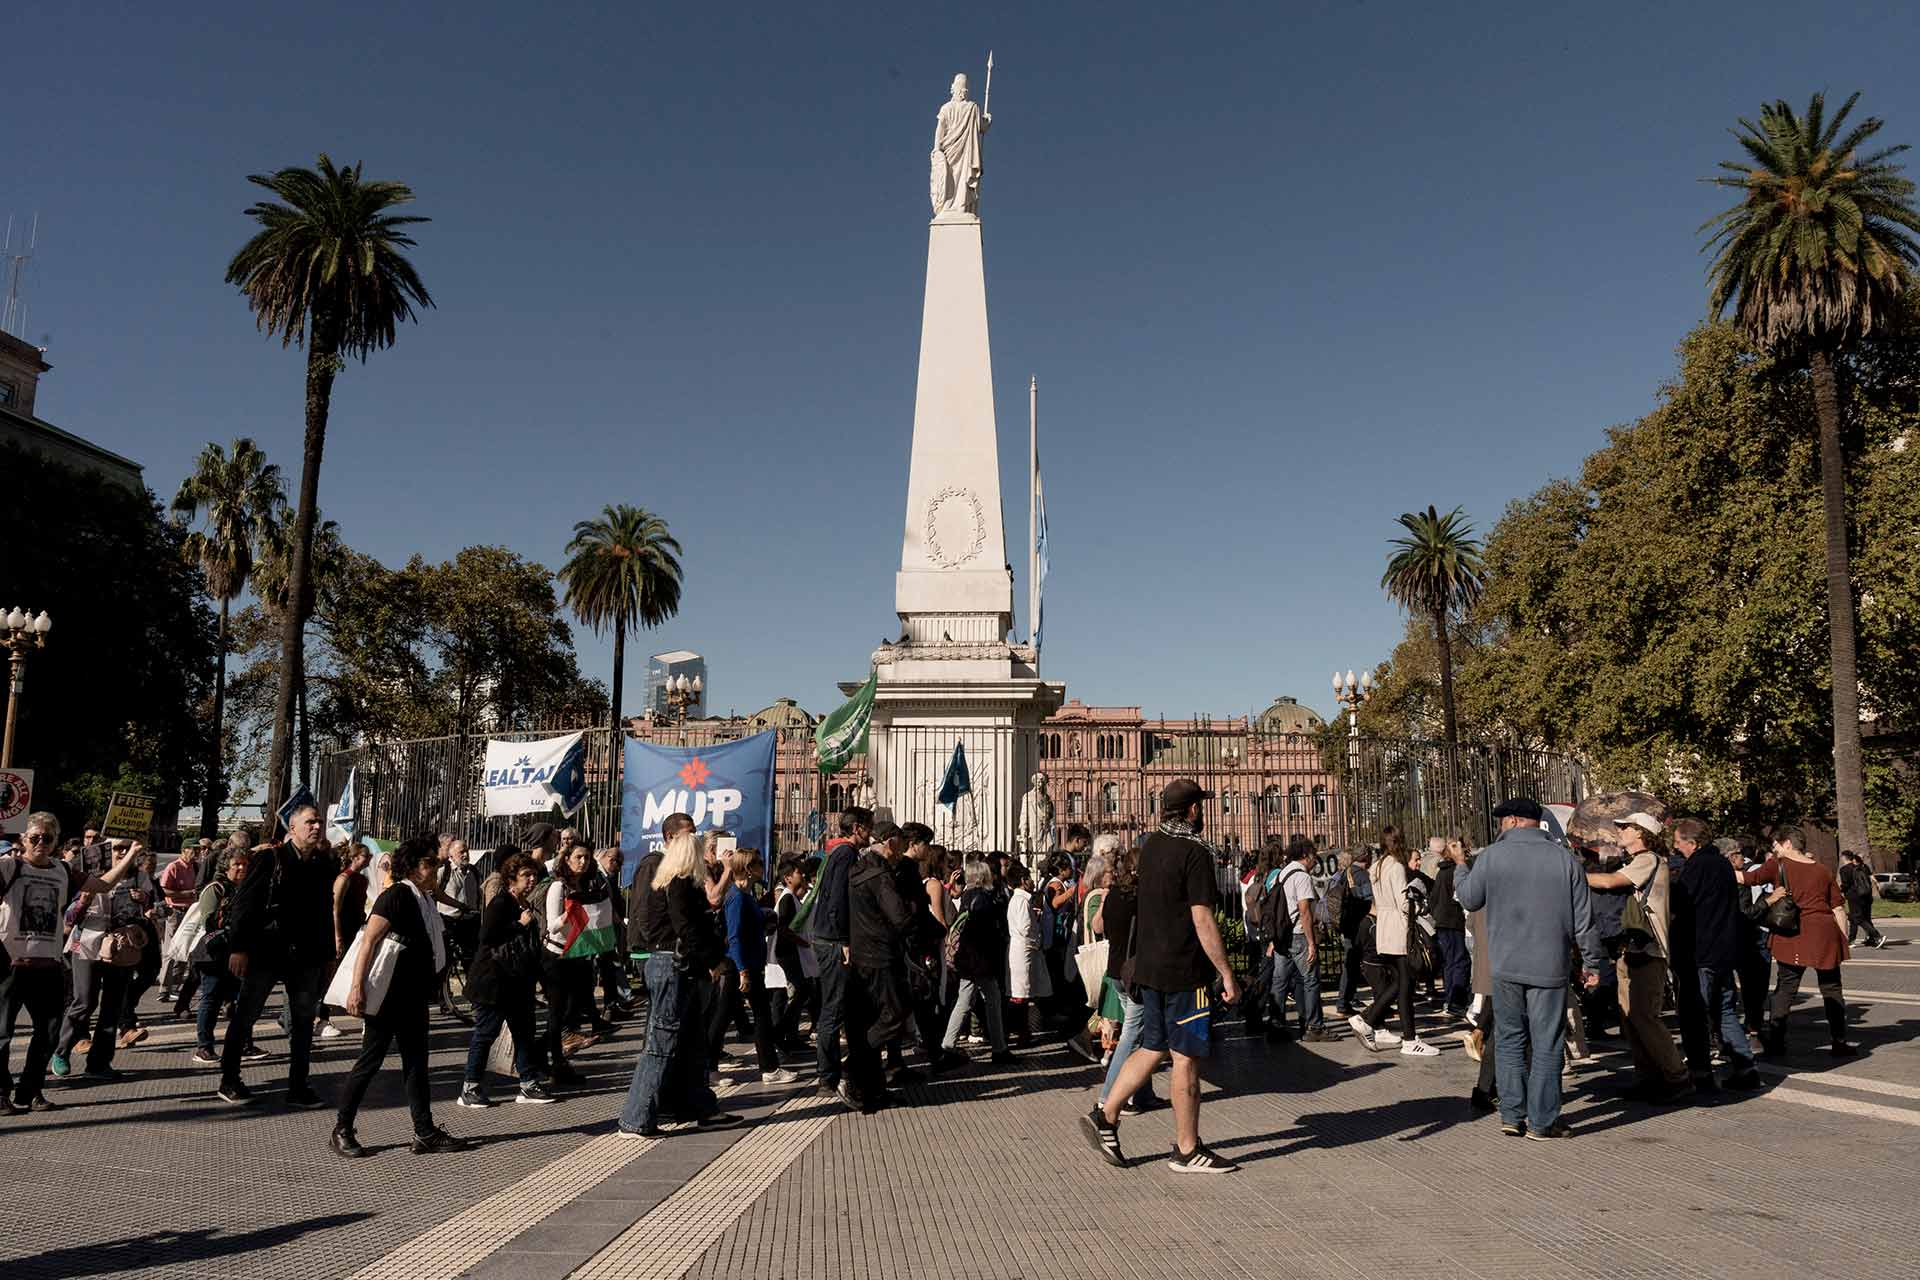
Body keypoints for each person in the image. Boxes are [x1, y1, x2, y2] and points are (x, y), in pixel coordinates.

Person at [1081, 779, 1242, 1174]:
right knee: (1186, 1057)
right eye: (1200, 806)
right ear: (1191, 810)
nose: (1203, 812)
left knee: (1152, 1047)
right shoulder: (1195, 852)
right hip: (1184, 970)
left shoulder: (1150, 845)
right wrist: (1226, 972)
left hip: (1148, 966)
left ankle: (1106, 1113)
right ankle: (1187, 1150)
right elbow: (1202, 917)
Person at [1452, 797, 1606, 1140]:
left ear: (1515, 821)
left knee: (1508, 1038)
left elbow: (1468, 898)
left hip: (1505, 965)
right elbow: (1584, 920)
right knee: (1547, 1041)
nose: (1500, 826)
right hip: (1549, 965)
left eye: (1503, 820)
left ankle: (1512, 1114)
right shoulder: (1565, 859)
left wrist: (1461, 866)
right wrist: (1592, 963)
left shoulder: (1491, 856)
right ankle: (1542, 1120)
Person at [331, 836, 471, 1157]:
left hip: (413, 994)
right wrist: (356, 988)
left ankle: (424, 1131)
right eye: (428, 863)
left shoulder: (423, 895)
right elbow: (368, 941)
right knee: (370, 1061)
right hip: (387, 994)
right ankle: (342, 1128)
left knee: (417, 1064)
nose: (435, 868)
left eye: (436, 862)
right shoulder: (395, 895)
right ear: (411, 866)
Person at [1, 813, 142, 1113]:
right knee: (2, 1034)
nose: (41, 843)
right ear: (24, 839)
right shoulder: (10, 867)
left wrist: (130, 854)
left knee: (49, 1033)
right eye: (35, 837)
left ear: (55, 842)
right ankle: (1, 1094)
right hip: (12, 965)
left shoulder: (63, 871)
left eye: (47, 838)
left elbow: (102, 885)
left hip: (49, 966)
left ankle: (30, 1091)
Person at [618, 822, 742, 1137]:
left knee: (692, 1042)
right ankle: (635, 1118)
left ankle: (700, 1107)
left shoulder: (676, 881)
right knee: (660, 1044)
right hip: (673, 966)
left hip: (679, 966)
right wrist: (713, 961)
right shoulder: (677, 882)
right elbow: (687, 928)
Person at [218, 802, 338, 1108]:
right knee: (247, 1015)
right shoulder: (270, 859)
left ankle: (298, 1086)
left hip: (306, 956)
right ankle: (229, 1079)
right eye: (310, 822)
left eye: (319, 822)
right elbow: (244, 905)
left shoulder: (323, 863)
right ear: (292, 827)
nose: (316, 827)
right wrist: (238, 948)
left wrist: (328, 955)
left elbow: (325, 911)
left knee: (302, 1022)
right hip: (266, 951)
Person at [1587, 813, 1692, 1103]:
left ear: (1642, 833)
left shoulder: (1648, 859)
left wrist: (1573, 876)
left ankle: (1677, 1077)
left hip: (1648, 950)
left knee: (1645, 1017)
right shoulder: (1637, 861)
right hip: (1631, 950)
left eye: (1626, 827)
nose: (1619, 831)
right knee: (1630, 1017)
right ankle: (1649, 1077)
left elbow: (1610, 882)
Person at [1739, 828, 1857, 1058]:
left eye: (1776, 844)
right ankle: (1839, 1040)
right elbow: (1838, 907)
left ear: (1788, 844)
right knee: (1832, 988)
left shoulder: (1777, 865)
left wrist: (1720, 868)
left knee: (1785, 989)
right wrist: (1842, 939)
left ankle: (1776, 1041)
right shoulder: (1822, 870)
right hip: (1824, 933)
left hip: (1792, 934)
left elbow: (1748, 878)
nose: (1773, 849)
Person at [51, 838, 154, 1081]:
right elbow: (68, 918)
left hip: (121, 947)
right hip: (87, 944)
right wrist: (83, 903)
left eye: (126, 847)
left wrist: (143, 902)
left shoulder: (139, 877)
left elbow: (150, 907)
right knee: (84, 1000)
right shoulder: (87, 875)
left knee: (112, 1004)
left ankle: (99, 1061)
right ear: (106, 850)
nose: (121, 852)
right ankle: (61, 1051)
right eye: (117, 847)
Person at [1669, 819, 1761, 1092]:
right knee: (1725, 1010)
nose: (1675, 847)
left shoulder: (1698, 866)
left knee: (1695, 1014)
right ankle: (1746, 1067)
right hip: (1724, 951)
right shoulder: (1722, 864)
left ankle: (1700, 1073)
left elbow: (1680, 902)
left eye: (1678, 842)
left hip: (1701, 952)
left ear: (1692, 842)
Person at [460, 852, 555, 1107]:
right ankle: (470, 1087)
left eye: (534, 874)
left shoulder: (524, 904)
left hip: (518, 982)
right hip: (494, 981)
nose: (532, 879)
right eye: (526, 875)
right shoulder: (502, 902)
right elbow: (487, 936)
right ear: (511, 879)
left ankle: (527, 1083)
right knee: (485, 1033)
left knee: (524, 1033)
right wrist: (520, 925)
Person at [843, 821, 915, 1110]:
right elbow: (899, 916)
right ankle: (852, 1065)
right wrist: (910, 909)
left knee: (872, 1020)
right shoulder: (880, 875)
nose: (902, 849)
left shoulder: (858, 870)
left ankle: (872, 1089)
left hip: (862, 955)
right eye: (899, 841)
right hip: (881, 956)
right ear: (889, 842)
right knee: (897, 1011)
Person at [1090, 843, 1165, 1114]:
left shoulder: (1114, 895)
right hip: (1136, 973)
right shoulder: (1143, 897)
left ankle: (1142, 1095)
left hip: (1116, 972)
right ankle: (1109, 1098)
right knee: (1132, 1036)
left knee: (1143, 1035)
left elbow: (1098, 926)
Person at [1349, 827, 1436, 1057]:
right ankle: (1368, 1018)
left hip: (1383, 927)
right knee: (1404, 982)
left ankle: (1408, 1037)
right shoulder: (1397, 867)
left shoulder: (1376, 866)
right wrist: (1419, 907)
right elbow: (1403, 901)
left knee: (1402, 983)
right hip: (1398, 927)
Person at [807, 807, 870, 1098]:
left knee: (838, 1005)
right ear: (857, 828)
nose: (870, 833)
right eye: (868, 827)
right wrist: (844, 938)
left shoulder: (838, 853)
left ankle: (838, 1068)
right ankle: (827, 1076)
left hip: (830, 937)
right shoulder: (845, 855)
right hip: (833, 940)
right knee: (832, 1007)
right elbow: (837, 899)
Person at [718, 848, 794, 1083]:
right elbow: (734, 936)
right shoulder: (737, 898)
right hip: (739, 965)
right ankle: (767, 1068)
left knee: (745, 1015)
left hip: (749, 963)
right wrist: (742, 970)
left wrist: (764, 916)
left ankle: (769, 1068)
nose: (763, 867)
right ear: (749, 869)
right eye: (759, 863)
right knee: (724, 1017)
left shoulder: (747, 896)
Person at [541, 841, 604, 1086]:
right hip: (556, 956)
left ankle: (544, 1056)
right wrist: (571, 912)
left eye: (587, 857)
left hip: (578, 954)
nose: (583, 861)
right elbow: (552, 925)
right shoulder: (559, 886)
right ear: (566, 859)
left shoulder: (586, 885)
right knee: (557, 1012)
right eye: (578, 857)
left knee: (572, 1011)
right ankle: (554, 1063)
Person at [940, 858, 1014, 1063]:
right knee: (989, 1001)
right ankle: (998, 1050)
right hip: (980, 959)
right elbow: (986, 932)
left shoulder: (967, 896)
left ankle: (949, 1045)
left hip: (969, 958)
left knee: (968, 1000)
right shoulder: (983, 899)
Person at [188, 846, 254, 1066]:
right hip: (214, 955)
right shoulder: (215, 889)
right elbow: (208, 923)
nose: (242, 867)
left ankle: (244, 1044)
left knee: (242, 999)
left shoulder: (246, 887)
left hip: (239, 952)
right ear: (226, 866)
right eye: (237, 864)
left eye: (245, 863)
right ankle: (204, 1047)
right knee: (212, 999)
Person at [1264, 835, 1328, 1042]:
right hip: (1299, 935)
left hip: (1282, 936)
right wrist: (1311, 943)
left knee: (1280, 981)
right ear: (1306, 856)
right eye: (1314, 857)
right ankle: (1314, 1027)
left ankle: (1276, 1024)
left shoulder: (1281, 874)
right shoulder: (1301, 877)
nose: (1315, 861)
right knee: (1310, 980)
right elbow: (1304, 911)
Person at [767, 855, 813, 1052]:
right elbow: (783, 928)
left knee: (800, 991)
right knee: (801, 991)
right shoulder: (786, 897)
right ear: (787, 878)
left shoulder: (793, 897)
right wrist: (802, 942)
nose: (801, 874)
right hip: (786, 954)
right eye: (797, 872)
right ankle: (779, 1034)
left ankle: (786, 1035)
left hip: (791, 953)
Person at [1005, 861, 1051, 1045]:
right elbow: (1025, 929)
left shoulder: (1020, 900)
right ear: (1024, 880)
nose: (1033, 882)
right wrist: (1036, 939)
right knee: (1020, 994)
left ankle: (1021, 1032)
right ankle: (1020, 1033)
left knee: (1021, 992)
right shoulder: (1022, 901)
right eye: (1030, 878)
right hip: (1023, 950)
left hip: (1022, 950)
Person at [436, 839, 481, 1017]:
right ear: (451, 854)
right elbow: (434, 893)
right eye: (461, 851)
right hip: (448, 920)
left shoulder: (473, 872)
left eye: (466, 850)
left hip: (469, 922)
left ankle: (474, 999)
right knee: (445, 961)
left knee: (471, 962)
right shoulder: (444, 871)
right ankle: (444, 1000)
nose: (465, 854)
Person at [1430, 833, 1471, 1017]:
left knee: (1449, 962)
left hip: (1441, 921)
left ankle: (1450, 998)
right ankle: (1456, 1001)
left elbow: (1433, 898)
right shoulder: (1457, 870)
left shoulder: (1442, 871)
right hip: (1454, 921)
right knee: (1460, 962)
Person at [1334, 848, 1373, 1016]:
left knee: (1350, 965)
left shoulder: (1346, 872)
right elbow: (1370, 900)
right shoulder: (1363, 875)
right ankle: (1345, 1002)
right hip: (1360, 925)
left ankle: (1344, 1002)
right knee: (1371, 964)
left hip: (1346, 924)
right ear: (1366, 857)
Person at [158, 844, 200, 1000]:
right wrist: (186, 893)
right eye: (192, 849)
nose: (196, 853)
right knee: (170, 950)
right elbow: (164, 890)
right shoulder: (173, 867)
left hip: (190, 912)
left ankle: (175, 986)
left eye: (197, 850)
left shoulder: (195, 867)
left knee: (185, 949)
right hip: (175, 912)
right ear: (183, 850)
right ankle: (164, 988)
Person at [1839, 852, 1885, 949]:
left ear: (1844, 858)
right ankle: (1853, 940)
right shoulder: (1861, 866)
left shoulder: (1844, 869)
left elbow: (1846, 884)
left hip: (1853, 896)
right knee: (1857, 917)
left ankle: (1877, 936)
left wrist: (1840, 890)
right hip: (1865, 895)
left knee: (1858, 918)